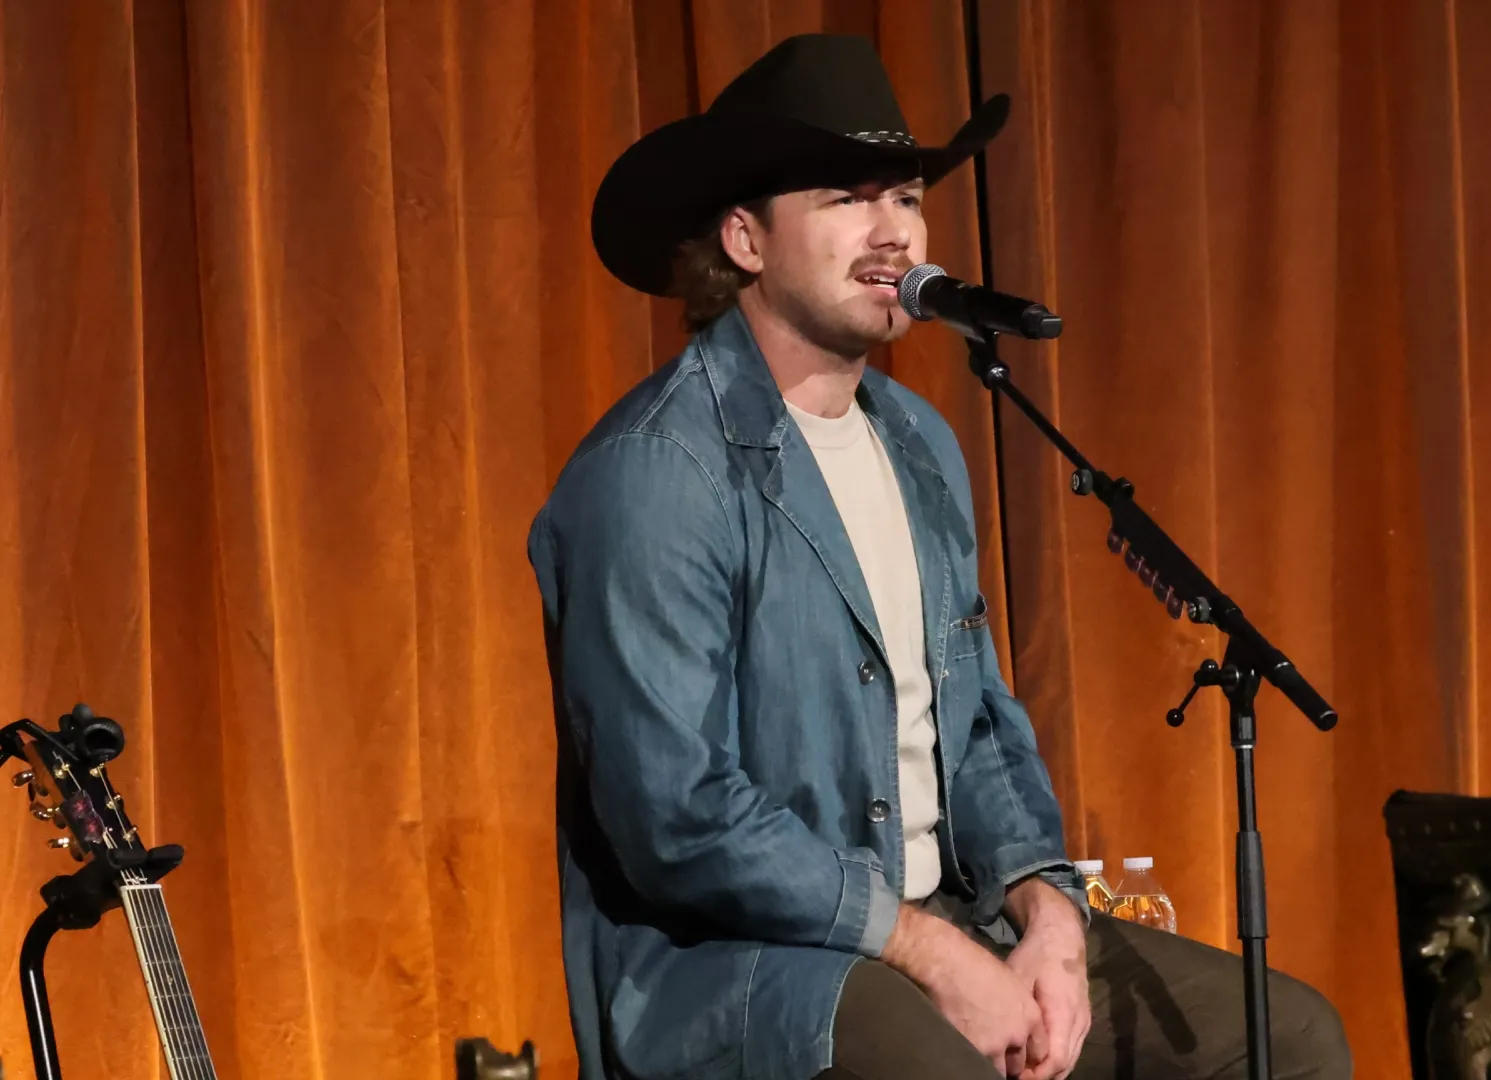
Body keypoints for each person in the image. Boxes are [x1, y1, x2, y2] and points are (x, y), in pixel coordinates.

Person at [528, 33, 1350, 1080]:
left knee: (1292, 1039)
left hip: (952, 921)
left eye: (907, 198)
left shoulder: (920, 443)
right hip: (752, 969)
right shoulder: (658, 472)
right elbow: (677, 814)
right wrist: (925, 950)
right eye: (846, 198)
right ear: (744, 238)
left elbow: (980, 728)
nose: (894, 232)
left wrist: (1048, 913)